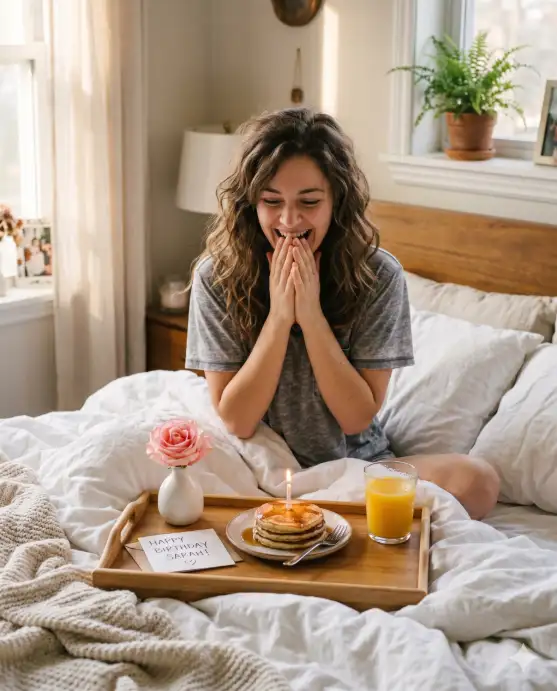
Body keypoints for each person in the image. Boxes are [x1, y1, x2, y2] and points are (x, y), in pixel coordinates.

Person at [185, 107, 499, 520]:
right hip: (253, 462)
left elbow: (355, 419)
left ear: (337, 199)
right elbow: (238, 421)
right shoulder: (219, 275)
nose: (289, 220)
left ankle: (315, 515)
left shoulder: (378, 275)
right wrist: (280, 318)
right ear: (251, 203)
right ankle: (308, 515)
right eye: (272, 201)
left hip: (354, 469)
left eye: (309, 202)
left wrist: (311, 316)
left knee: (478, 481)